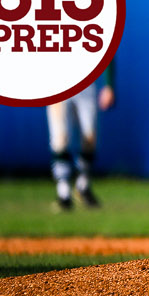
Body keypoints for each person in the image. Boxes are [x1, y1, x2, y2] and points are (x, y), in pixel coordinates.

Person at [48, 68, 112, 211]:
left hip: (85, 83)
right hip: (58, 82)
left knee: (89, 138)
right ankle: (63, 193)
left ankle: (83, 185)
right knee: (60, 138)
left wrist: (109, 85)